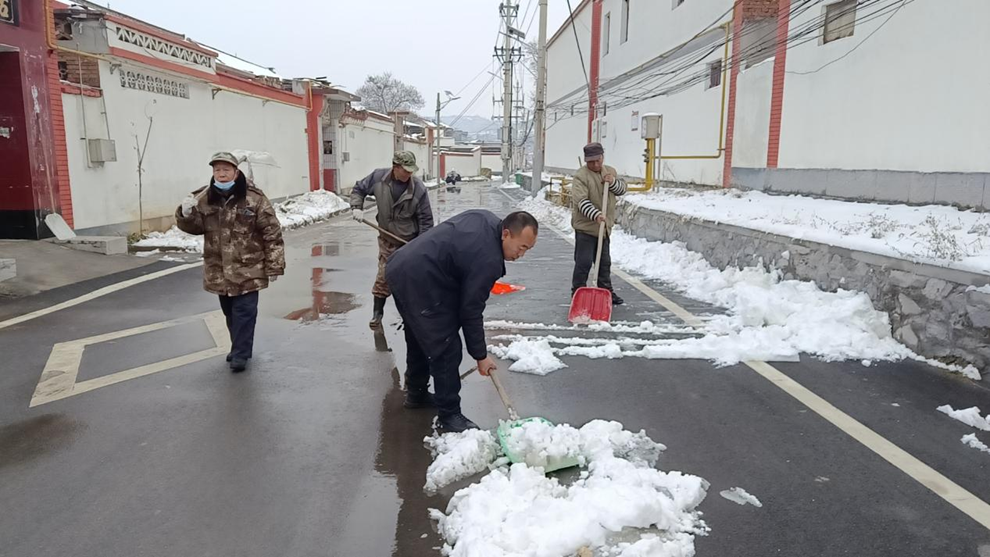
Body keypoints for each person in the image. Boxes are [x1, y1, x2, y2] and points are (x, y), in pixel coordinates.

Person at [386, 210, 539, 432]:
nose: (521, 255)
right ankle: (449, 416)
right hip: (418, 278)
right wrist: (480, 355)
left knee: (420, 335)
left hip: (405, 267)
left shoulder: (487, 220)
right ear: (506, 234)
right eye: (522, 247)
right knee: (446, 345)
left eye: (528, 249)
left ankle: (416, 394)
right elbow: (471, 309)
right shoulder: (488, 259)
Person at [175, 152, 285, 372]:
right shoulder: (204, 197)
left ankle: (241, 354)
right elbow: (196, 228)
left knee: (245, 312)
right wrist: (185, 214)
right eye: (217, 170)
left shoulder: (254, 198)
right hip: (220, 270)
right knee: (230, 313)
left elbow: (272, 232)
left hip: (248, 268)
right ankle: (239, 347)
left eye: (226, 170)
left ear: (236, 172)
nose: (221, 174)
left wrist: (274, 265)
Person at [350, 151, 434, 328]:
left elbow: (426, 221)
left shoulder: (418, 188)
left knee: (410, 281)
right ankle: (377, 314)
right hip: (387, 240)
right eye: (406, 170)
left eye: (412, 171)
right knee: (383, 277)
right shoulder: (378, 178)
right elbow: (359, 189)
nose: (409, 174)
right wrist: (357, 207)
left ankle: (411, 316)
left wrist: (421, 247)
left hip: (410, 243)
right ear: (396, 167)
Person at [570, 142, 627, 305]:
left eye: (598, 160)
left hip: (604, 229)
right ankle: (578, 291)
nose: (595, 164)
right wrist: (595, 215)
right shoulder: (581, 176)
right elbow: (581, 201)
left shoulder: (610, 171)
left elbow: (622, 189)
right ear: (586, 161)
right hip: (586, 228)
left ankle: (606, 291)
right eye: (591, 162)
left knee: (604, 262)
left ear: (603, 157)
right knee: (584, 262)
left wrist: (613, 181)